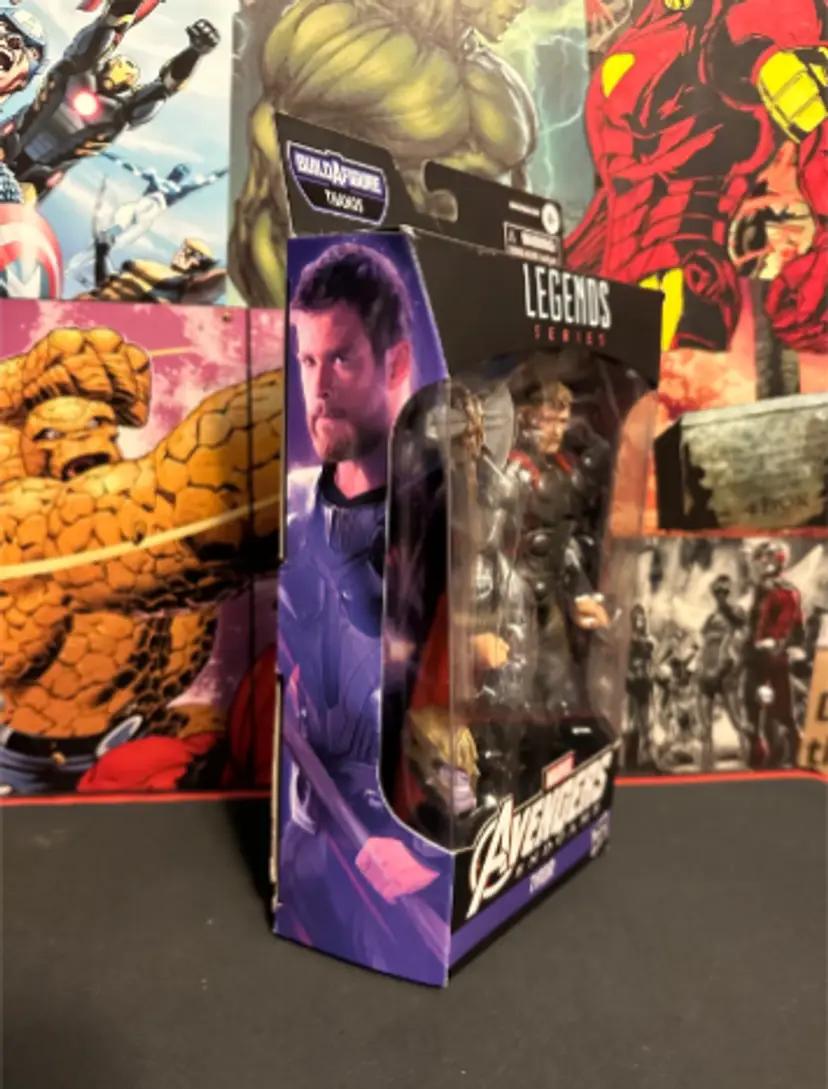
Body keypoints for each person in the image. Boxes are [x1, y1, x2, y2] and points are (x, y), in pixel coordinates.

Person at [278, 242, 444, 973]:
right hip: (309, 840)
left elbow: (491, 700)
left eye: (341, 359)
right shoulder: (296, 511)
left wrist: (430, 849)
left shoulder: (444, 512)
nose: (317, 388)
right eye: (308, 360)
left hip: (397, 874)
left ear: (397, 362)